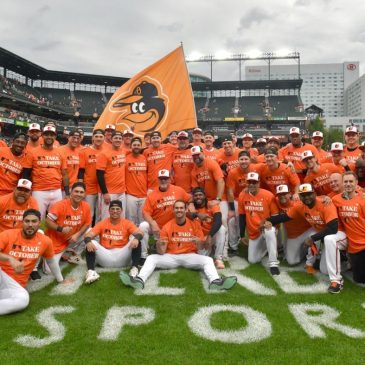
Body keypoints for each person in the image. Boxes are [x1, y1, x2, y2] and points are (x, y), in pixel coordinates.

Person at [120, 200, 237, 290]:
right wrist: (160, 245)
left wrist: (200, 243)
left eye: (181, 208)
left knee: (208, 260)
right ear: (173, 210)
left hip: (189, 255)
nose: (179, 210)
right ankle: (139, 280)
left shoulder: (195, 224)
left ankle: (215, 282)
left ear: (186, 210)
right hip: (172, 257)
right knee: (151, 258)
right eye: (176, 208)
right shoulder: (167, 226)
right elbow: (161, 252)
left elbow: (202, 247)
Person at [265, 183, 347, 294]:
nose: (306, 197)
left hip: (337, 233)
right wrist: (268, 220)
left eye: (309, 194)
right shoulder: (300, 206)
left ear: (314, 193)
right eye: (303, 195)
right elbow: (285, 217)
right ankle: (331, 256)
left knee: (327, 244)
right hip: (322, 234)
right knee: (323, 268)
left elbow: (333, 229)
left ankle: (337, 279)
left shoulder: (324, 203)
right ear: (300, 196)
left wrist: (312, 238)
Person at [0, 209, 67, 315]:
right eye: (27, 221)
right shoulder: (8, 234)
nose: (30, 225)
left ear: (40, 223)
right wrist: (9, 258)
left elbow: (51, 262)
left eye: (34, 221)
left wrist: (60, 280)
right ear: (22, 222)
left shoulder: (45, 241)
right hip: (1, 274)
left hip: (15, 284)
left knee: (23, 300)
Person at [83, 200, 143, 284]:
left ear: (121, 210)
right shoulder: (102, 223)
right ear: (109, 210)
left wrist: (136, 239)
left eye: (117, 209)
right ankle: (91, 272)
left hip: (122, 256)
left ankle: (134, 269)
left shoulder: (126, 223)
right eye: (113, 209)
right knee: (90, 241)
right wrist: (88, 241)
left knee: (136, 240)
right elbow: (88, 235)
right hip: (106, 256)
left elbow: (140, 233)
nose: (115, 211)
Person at [139, 169, 192, 259]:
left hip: (173, 228)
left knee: (165, 253)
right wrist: (152, 223)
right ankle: (143, 256)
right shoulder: (152, 194)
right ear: (158, 180)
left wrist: (191, 206)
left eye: (165, 178)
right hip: (158, 228)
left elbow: (190, 199)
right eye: (161, 178)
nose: (163, 180)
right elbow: (145, 212)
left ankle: (158, 245)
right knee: (143, 225)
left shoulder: (178, 190)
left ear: (170, 179)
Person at [238, 172, 280, 275]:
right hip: (254, 232)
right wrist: (242, 235)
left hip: (268, 227)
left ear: (259, 183)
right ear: (246, 183)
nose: (251, 184)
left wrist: (268, 222)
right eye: (249, 182)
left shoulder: (268, 195)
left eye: (254, 182)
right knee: (253, 260)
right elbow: (242, 216)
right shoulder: (242, 195)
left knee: (269, 232)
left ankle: (273, 263)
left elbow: (275, 215)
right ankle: (268, 247)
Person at [26, 125, 70, 220]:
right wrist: (27, 190)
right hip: (39, 191)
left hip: (56, 190)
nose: (49, 137)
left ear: (55, 136)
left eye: (51, 135)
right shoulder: (33, 152)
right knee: (37, 218)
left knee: (56, 219)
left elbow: (65, 174)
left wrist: (67, 193)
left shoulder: (60, 152)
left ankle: (50, 235)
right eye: (46, 134)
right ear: (42, 135)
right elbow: (27, 173)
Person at [45, 182, 91, 266]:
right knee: (49, 271)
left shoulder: (86, 206)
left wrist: (77, 235)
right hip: (56, 241)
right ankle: (63, 253)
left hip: (71, 239)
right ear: (71, 192)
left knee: (90, 231)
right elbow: (47, 222)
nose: (78, 194)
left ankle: (73, 254)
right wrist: (61, 229)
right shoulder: (60, 205)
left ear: (85, 194)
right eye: (76, 191)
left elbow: (87, 223)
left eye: (81, 192)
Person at [332, 172, 365, 283]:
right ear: (342, 183)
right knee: (359, 279)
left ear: (356, 183)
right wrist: (325, 199)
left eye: (351, 181)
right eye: (345, 181)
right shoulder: (336, 200)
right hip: (353, 246)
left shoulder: (363, 199)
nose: (348, 184)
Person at [275, 185, 312, 266]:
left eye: (284, 193)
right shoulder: (276, 202)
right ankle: (304, 251)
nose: (282, 196)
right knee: (292, 261)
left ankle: (312, 260)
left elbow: (314, 200)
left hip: (307, 231)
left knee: (315, 235)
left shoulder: (298, 202)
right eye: (279, 194)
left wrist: (327, 198)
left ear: (290, 194)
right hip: (294, 236)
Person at [191, 187, 226, 269]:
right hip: (200, 238)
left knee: (221, 229)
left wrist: (210, 236)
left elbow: (218, 221)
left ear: (204, 196)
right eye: (196, 195)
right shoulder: (191, 207)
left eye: (200, 195)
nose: (198, 197)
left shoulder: (212, 205)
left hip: (212, 235)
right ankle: (211, 250)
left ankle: (218, 258)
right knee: (201, 259)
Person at [96, 130, 127, 220]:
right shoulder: (104, 153)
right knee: (106, 217)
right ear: (111, 139)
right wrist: (105, 192)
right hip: (109, 192)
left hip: (121, 191)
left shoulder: (123, 151)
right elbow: (99, 174)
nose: (118, 140)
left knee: (121, 217)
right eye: (116, 138)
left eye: (120, 138)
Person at [78, 129, 105, 222]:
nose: (98, 138)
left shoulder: (107, 150)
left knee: (101, 213)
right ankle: (86, 234)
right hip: (89, 187)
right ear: (92, 138)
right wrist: (81, 186)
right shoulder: (84, 151)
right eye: (96, 136)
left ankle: (98, 235)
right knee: (88, 213)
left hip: (103, 187)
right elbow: (81, 170)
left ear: (104, 138)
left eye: (101, 137)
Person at [125, 137, 147, 225]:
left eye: (138, 145)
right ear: (131, 146)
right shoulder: (125, 158)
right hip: (131, 194)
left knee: (142, 220)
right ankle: (131, 238)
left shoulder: (144, 158)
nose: (136, 147)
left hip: (143, 194)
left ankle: (142, 239)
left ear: (141, 146)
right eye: (134, 145)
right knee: (131, 219)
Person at [58, 129, 81, 194]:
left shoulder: (78, 152)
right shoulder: (59, 150)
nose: (76, 140)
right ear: (68, 137)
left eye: (78, 138)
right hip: (61, 188)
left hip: (73, 187)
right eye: (73, 137)